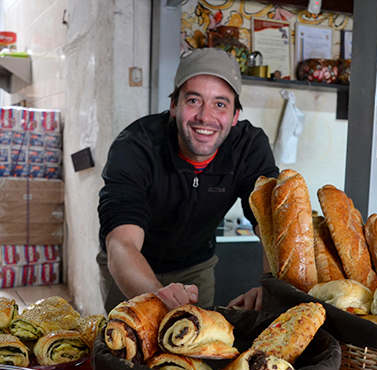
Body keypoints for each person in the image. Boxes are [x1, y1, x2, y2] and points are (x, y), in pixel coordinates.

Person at [97, 48, 279, 313]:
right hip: (130, 267)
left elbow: (271, 224)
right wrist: (154, 295)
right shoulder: (136, 146)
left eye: (220, 104)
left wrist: (272, 286)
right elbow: (121, 243)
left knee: (195, 347)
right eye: (194, 100)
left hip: (196, 267)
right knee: (126, 348)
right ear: (174, 105)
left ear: (235, 115)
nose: (205, 117)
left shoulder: (250, 148)